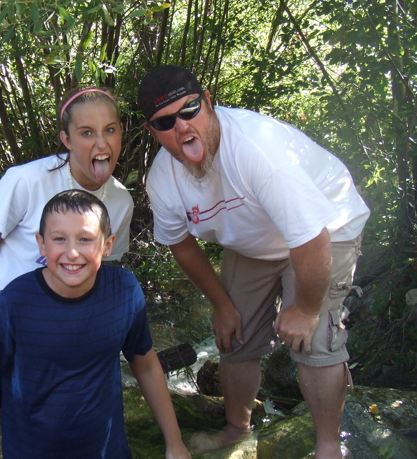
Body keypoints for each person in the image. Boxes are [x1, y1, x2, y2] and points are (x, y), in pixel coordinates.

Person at [138, 65, 370, 459]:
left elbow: (312, 238)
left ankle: (329, 447)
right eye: (165, 121)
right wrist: (222, 305)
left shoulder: (256, 148)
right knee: (233, 333)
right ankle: (236, 429)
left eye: (190, 109)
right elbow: (181, 244)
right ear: (152, 131)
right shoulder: (162, 179)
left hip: (327, 227)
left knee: (312, 339)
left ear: (208, 102)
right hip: (257, 242)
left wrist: (307, 310)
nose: (181, 126)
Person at [0, 87, 134, 459]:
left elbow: (99, 283)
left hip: (40, 346)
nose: (101, 142)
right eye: (87, 132)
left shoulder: (120, 201)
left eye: (111, 129)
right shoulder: (26, 181)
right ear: (66, 140)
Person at [0, 190, 191, 459]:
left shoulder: (124, 291)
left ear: (107, 244)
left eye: (85, 239)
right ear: (42, 244)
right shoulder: (14, 303)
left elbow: (147, 365)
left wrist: (175, 443)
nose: (72, 252)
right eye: (59, 239)